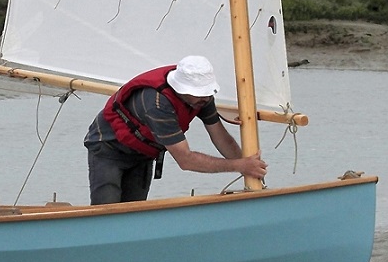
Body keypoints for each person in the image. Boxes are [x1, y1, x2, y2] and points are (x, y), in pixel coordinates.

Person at [84, 55, 268, 204]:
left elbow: (220, 136)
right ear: (181, 88)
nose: (203, 98)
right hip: (108, 148)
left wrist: (248, 166)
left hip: (141, 154)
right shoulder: (157, 104)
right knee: (108, 210)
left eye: (206, 92)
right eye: (198, 93)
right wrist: (238, 166)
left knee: (133, 211)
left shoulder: (202, 97)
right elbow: (186, 160)